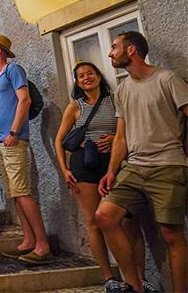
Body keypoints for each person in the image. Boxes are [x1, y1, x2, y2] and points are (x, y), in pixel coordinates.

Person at [96, 31, 188, 293]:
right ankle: (135, 286)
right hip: (134, 166)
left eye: (114, 47)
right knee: (104, 216)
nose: (110, 52)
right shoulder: (123, 89)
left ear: (132, 50)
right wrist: (111, 171)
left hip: (168, 164)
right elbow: (121, 137)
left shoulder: (166, 79)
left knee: (171, 235)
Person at [54, 61, 151, 293]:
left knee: (129, 220)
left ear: (99, 75)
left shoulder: (115, 99)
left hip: (114, 164)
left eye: (90, 73)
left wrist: (112, 137)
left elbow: (127, 129)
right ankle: (109, 277)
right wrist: (65, 170)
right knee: (94, 222)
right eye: (81, 76)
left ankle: (139, 277)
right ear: (77, 82)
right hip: (84, 165)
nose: (86, 78)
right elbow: (59, 140)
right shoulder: (75, 106)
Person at [0, 34, 51, 264]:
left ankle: (42, 244)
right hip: (2, 140)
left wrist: (13, 131)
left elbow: (25, 100)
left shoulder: (13, 70)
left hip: (13, 140)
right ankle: (28, 240)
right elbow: (5, 104)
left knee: (22, 192)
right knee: (15, 194)